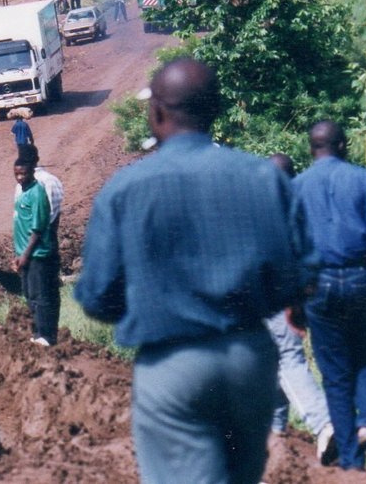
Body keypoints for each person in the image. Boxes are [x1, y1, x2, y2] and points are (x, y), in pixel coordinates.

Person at [75, 59, 314, 484]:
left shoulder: (125, 190)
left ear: (158, 114)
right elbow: (297, 276)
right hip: (250, 360)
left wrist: (149, 302)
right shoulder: (264, 176)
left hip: (172, 365)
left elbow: (96, 296)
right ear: (216, 109)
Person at [294, 121, 366, 471]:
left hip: (318, 285)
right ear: (344, 145)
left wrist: (294, 303)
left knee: (335, 374)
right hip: (361, 279)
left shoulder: (296, 188)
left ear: (311, 148)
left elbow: (288, 250)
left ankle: (351, 464)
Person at [267, 153, 337, 467]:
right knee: (276, 363)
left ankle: (323, 423)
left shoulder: (264, 211)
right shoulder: (306, 207)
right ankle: (276, 430)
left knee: (286, 359)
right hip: (305, 294)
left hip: (271, 297)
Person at [13, 155, 59, 346]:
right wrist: (17, 255)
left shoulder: (37, 193)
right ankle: (37, 333)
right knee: (30, 295)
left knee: (41, 296)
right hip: (25, 254)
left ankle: (46, 336)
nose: (20, 177)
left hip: (37, 254)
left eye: (23, 173)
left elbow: (38, 229)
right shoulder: (23, 192)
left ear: (32, 172)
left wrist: (25, 255)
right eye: (16, 174)